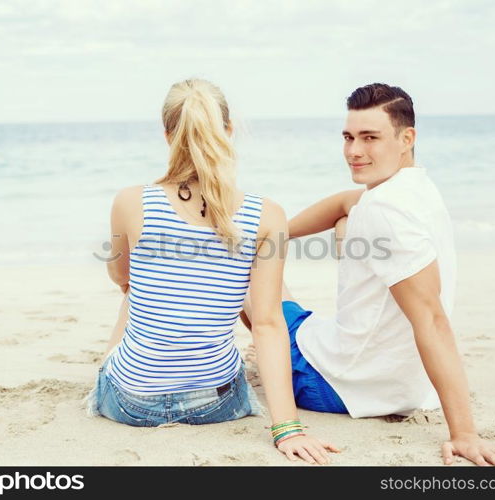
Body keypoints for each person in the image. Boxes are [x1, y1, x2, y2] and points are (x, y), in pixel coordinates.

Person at [241, 83, 495, 467]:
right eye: (348, 137)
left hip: (334, 385)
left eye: (370, 138)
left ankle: (267, 354)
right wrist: (279, 232)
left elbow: (432, 321)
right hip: (402, 387)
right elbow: (342, 202)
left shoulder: (385, 211)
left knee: (241, 264)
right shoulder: (416, 187)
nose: (354, 151)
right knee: (339, 220)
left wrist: (465, 435)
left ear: (407, 138)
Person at [84, 78, 339, 465]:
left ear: (168, 134)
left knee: (134, 288)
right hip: (215, 405)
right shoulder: (267, 214)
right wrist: (288, 429)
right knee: (255, 300)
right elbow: (268, 324)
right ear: (229, 131)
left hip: (130, 404)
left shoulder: (131, 202)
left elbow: (120, 277)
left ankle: (136, 371)